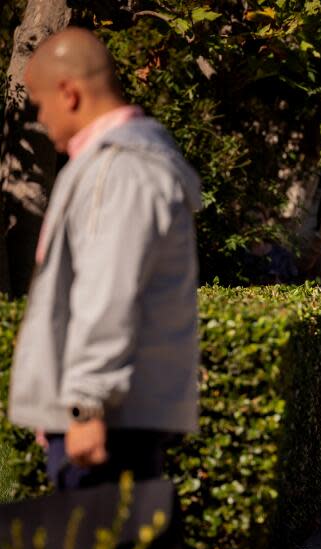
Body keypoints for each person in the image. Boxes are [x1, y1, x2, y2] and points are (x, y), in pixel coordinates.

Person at [8, 27, 201, 490]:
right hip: (116, 416)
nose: (41, 118)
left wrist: (86, 406)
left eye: (40, 104)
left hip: (110, 422)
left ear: (69, 93)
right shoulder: (119, 163)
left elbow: (107, 292)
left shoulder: (121, 168)